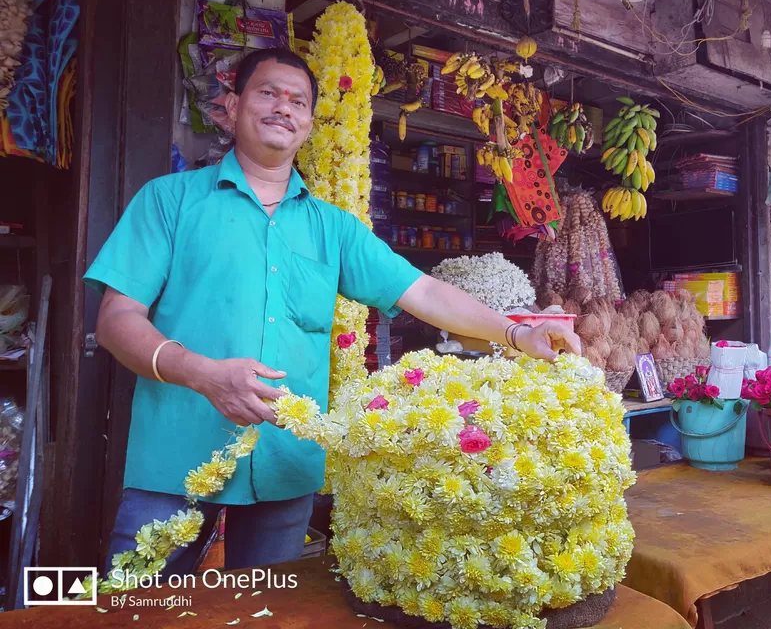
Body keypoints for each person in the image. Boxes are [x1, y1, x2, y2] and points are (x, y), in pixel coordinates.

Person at [85, 47, 580, 578]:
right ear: (231, 105)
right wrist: (203, 374)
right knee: (135, 610)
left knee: (266, 615)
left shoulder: (332, 227)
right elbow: (115, 320)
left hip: (284, 462)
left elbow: (424, 292)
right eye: (268, 93)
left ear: (309, 123)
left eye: (298, 100)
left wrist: (514, 332)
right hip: (175, 458)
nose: (284, 107)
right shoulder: (170, 200)